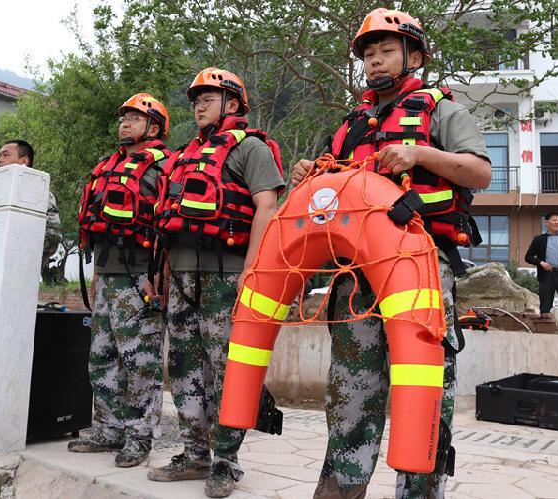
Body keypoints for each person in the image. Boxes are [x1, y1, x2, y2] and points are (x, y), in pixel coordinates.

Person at [290, 9, 491, 498]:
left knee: (423, 392)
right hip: (354, 277)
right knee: (350, 389)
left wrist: (420, 155)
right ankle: (341, 487)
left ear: (414, 56)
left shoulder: (441, 109)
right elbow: (331, 198)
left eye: (386, 51)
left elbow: (480, 173)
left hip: (419, 263)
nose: (376, 62)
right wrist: (308, 180)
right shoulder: (350, 124)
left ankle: (421, 491)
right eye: (369, 54)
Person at [147, 68, 284, 498]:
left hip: (227, 274)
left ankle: (226, 461)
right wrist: (164, 276)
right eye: (196, 99)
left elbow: (268, 206)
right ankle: (194, 454)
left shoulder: (252, 149)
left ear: (234, 103)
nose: (199, 104)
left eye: (209, 97)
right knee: (185, 366)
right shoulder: (186, 155)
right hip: (183, 275)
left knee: (227, 368)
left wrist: (254, 268)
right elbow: (170, 224)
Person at [68, 93, 171, 468]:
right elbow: (101, 230)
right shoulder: (107, 166)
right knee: (102, 356)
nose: (124, 123)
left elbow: (167, 226)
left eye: (134, 118)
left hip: (140, 277)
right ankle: (108, 429)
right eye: (123, 118)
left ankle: (139, 435)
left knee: (140, 360)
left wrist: (159, 277)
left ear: (154, 127)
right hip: (108, 275)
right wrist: (96, 275)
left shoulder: (164, 168)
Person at [0, 140, 62, 274]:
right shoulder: (1, 193)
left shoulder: (38, 192)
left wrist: (24, 258)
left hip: (21, 269)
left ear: (24, 161)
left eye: (5, 155)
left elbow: (52, 236)